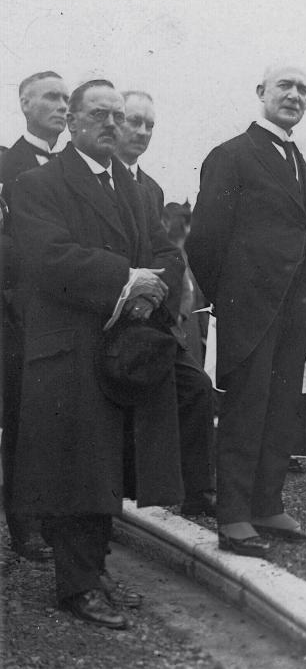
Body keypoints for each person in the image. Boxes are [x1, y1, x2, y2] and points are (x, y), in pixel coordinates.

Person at [9, 79, 185, 629]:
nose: (113, 124)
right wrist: (126, 279)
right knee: (75, 472)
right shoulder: (38, 184)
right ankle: (77, 585)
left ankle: (93, 571)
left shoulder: (131, 187)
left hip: (119, 348)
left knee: (106, 466)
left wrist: (151, 286)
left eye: (118, 115)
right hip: (68, 351)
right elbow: (48, 258)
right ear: (73, 124)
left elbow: (164, 251)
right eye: (99, 115)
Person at [187, 64, 306, 559]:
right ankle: (234, 516)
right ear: (260, 92)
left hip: (295, 307)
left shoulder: (299, 160)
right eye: (284, 86)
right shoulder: (232, 156)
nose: (294, 95)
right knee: (246, 408)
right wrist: (231, 298)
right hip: (250, 307)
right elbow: (203, 239)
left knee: (281, 408)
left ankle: (267, 504)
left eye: (303, 89)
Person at [115, 90, 217, 518]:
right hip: (108, 314)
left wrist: (154, 298)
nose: (141, 132)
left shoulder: (150, 188)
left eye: (149, 124)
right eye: (133, 121)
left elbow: (169, 254)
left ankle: (198, 492)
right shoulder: (96, 181)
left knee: (197, 389)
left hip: (149, 320)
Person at [0, 70, 69, 562]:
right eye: (51, 97)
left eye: (67, 99)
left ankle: (60, 518)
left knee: (62, 417)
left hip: (66, 310)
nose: (62, 106)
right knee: (22, 419)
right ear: (25, 104)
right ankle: (24, 526)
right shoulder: (7, 164)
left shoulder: (75, 167)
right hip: (17, 311)